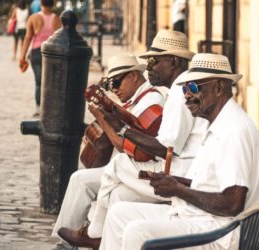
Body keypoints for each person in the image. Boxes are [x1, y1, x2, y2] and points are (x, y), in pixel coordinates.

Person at [99, 53, 259, 250]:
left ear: (219, 87)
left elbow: (232, 204)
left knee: (137, 232)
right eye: (186, 89)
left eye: (194, 87)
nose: (187, 95)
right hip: (202, 218)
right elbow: (212, 185)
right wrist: (175, 182)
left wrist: (178, 190)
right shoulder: (216, 123)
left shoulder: (233, 131)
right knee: (118, 213)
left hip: (222, 232)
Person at [57, 30, 209, 249]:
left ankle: (94, 233)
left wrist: (123, 130)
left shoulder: (178, 92)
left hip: (180, 175)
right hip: (181, 168)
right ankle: (95, 237)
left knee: (118, 165)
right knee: (118, 194)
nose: (149, 68)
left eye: (155, 61)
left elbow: (165, 148)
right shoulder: (179, 89)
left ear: (174, 61)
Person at [52, 55, 166, 250]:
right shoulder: (136, 100)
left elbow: (128, 146)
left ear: (134, 76)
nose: (113, 89)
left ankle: (86, 237)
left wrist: (102, 118)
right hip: (132, 167)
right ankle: (69, 241)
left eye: (116, 82)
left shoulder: (151, 100)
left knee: (86, 182)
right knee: (81, 179)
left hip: (144, 168)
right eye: (109, 84)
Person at [19, 0, 61, 117]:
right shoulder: (57, 19)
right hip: (53, 53)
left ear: (41, 4)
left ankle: (38, 109)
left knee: (39, 82)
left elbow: (28, 38)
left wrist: (22, 56)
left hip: (37, 52)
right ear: (52, 4)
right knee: (52, 82)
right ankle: (51, 107)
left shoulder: (33, 18)